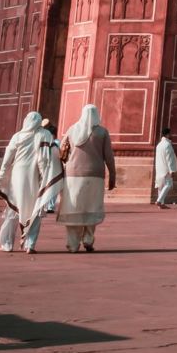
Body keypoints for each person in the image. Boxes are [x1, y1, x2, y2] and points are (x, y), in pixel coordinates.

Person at [0, 111, 58, 254]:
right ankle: (30, 244)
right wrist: (45, 177)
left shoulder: (17, 136)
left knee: (13, 210)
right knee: (35, 210)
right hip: (35, 176)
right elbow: (45, 159)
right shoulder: (45, 135)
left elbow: (7, 160)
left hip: (18, 176)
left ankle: (7, 244)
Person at [56, 104, 115, 253]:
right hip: (95, 175)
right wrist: (113, 175)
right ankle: (88, 240)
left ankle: (73, 244)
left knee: (73, 208)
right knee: (91, 207)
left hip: (73, 175)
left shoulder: (72, 130)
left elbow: (61, 150)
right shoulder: (102, 132)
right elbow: (109, 156)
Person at [154, 127, 177, 207]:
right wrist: (172, 170)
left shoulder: (159, 145)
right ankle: (159, 201)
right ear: (167, 134)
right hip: (166, 169)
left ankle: (161, 203)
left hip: (159, 168)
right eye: (170, 133)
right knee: (168, 184)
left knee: (160, 186)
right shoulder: (167, 145)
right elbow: (169, 159)